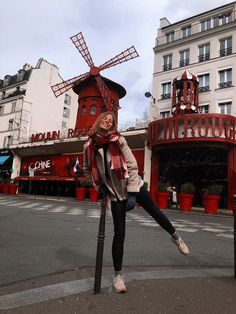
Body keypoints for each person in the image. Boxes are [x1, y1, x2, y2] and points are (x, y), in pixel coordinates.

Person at [83, 111, 189, 293]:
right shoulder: (88, 146)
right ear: (99, 121)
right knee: (119, 234)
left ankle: (176, 238)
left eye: (111, 121)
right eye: (105, 119)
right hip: (115, 194)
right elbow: (87, 169)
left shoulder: (119, 140)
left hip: (133, 186)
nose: (108, 122)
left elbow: (132, 166)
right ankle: (118, 276)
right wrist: (97, 185)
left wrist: (133, 194)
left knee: (155, 211)